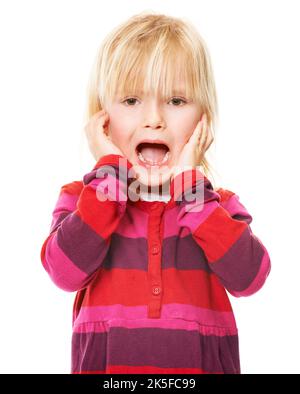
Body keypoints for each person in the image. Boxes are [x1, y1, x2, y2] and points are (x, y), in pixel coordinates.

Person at [40, 11, 271, 374]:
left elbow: (250, 278)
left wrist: (191, 191)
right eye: (131, 101)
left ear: (203, 121)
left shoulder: (217, 206)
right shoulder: (82, 199)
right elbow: (64, 273)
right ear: (101, 120)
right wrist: (110, 176)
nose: (154, 119)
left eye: (176, 101)